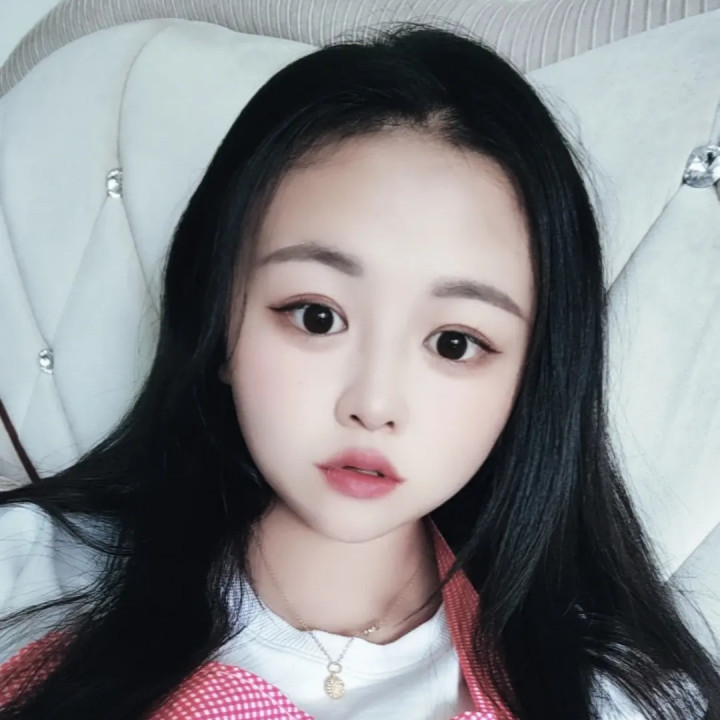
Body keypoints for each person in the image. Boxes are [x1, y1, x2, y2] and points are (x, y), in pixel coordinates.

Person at [0, 20, 717, 720]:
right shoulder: (27, 576)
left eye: (455, 343)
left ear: (532, 381)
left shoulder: (614, 696)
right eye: (317, 316)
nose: (373, 404)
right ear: (220, 322)